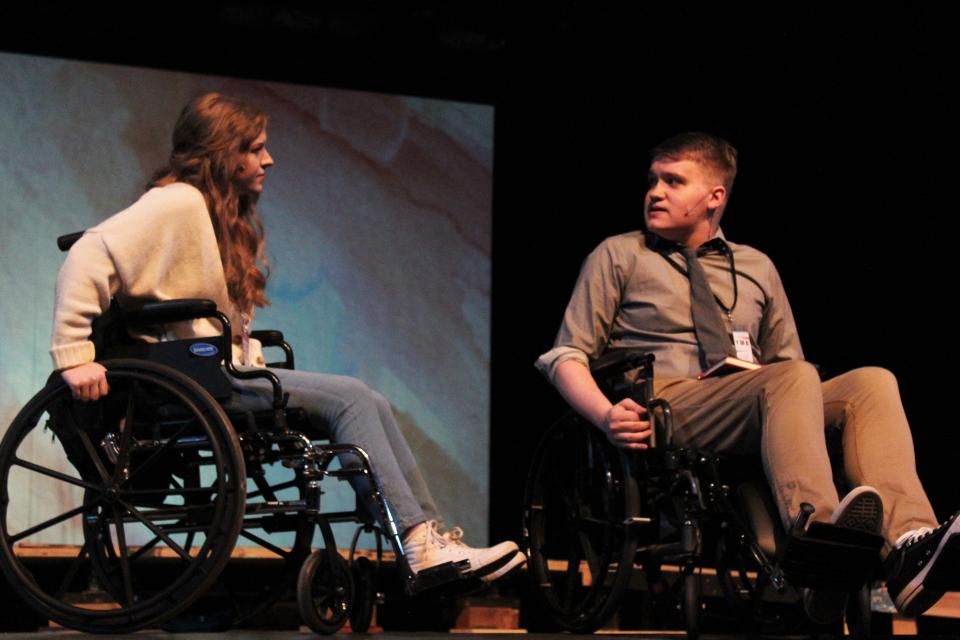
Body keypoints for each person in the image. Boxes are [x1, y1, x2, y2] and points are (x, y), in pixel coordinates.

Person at [51, 92, 525, 584]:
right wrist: (74, 357)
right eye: (255, 148)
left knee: (371, 402)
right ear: (222, 152)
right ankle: (418, 543)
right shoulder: (178, 201)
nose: (268, 159)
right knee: (353, 400)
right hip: (189, 380)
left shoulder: (218, 214)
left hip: (215, 372)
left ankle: (427, 539)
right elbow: (89, 252)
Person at [536, 131, 958, 620]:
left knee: (871, 382)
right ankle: (821, 540)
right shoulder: (619, 254)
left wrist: (780, 384)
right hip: (672, 405)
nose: (655, 192)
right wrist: (606, 413)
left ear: (714, 197)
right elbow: (566, 354)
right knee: (789, 377)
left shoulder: (757, 266)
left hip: (760, 400)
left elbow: (791, 364)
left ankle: (909, 544)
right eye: (653, 180)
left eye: (673, 181)